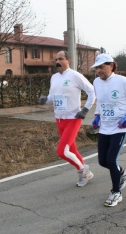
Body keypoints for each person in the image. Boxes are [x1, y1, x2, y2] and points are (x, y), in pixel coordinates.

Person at [91, 54, 126, 207]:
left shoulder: (123, 82)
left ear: (112, 66)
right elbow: (101, 102)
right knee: (102, 160)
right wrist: (97, 116)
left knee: (111, 160)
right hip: (105, 126)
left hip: (121, 126)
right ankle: (123, 172)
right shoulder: (96, 82)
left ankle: (116, 192)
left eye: (101, 67)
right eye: (97, 68)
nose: (98, 71)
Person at [39, 51, 96, 187]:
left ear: (68, 61)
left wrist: (85, 110)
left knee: (62, 151)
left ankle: (83, 170)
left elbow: (92, 92)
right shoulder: (54, 77)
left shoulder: (75, 76)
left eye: (61, 59)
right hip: (59, 119)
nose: (57, 62)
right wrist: (45, 100)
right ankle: (85, 173)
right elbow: (53, 97)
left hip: (73, 118)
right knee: (72, 150)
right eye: (56, 59)